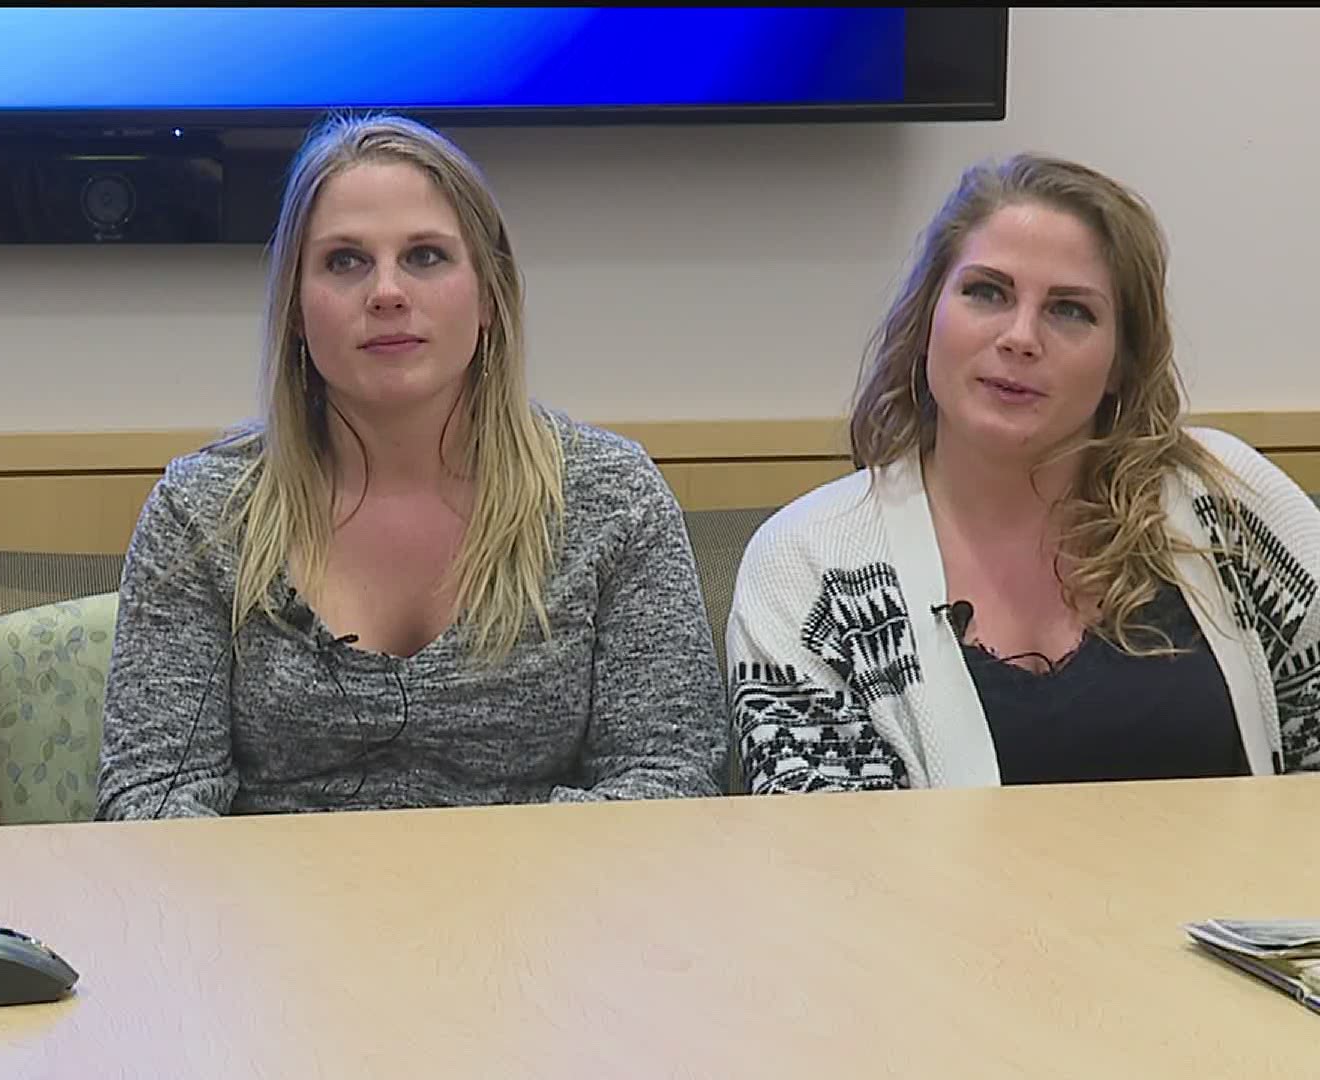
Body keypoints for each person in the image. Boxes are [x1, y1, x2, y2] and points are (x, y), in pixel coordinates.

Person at [97, 113, 726, 819]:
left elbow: (670, 777)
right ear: (297, 311)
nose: (387, 292)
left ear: (489, 295)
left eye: (426, 256)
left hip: (548, 914)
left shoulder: (612, 497)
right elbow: (150, 801)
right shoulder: (204, 511)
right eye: (345, 261)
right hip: (272, 919)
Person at [724, 152, 1320, 793]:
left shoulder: (1226, 501)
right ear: (929, 320)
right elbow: (830, 860)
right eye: (987, 292)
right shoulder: (810, 568)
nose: (1020, 336)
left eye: (1070, 310)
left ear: (1122, 359)